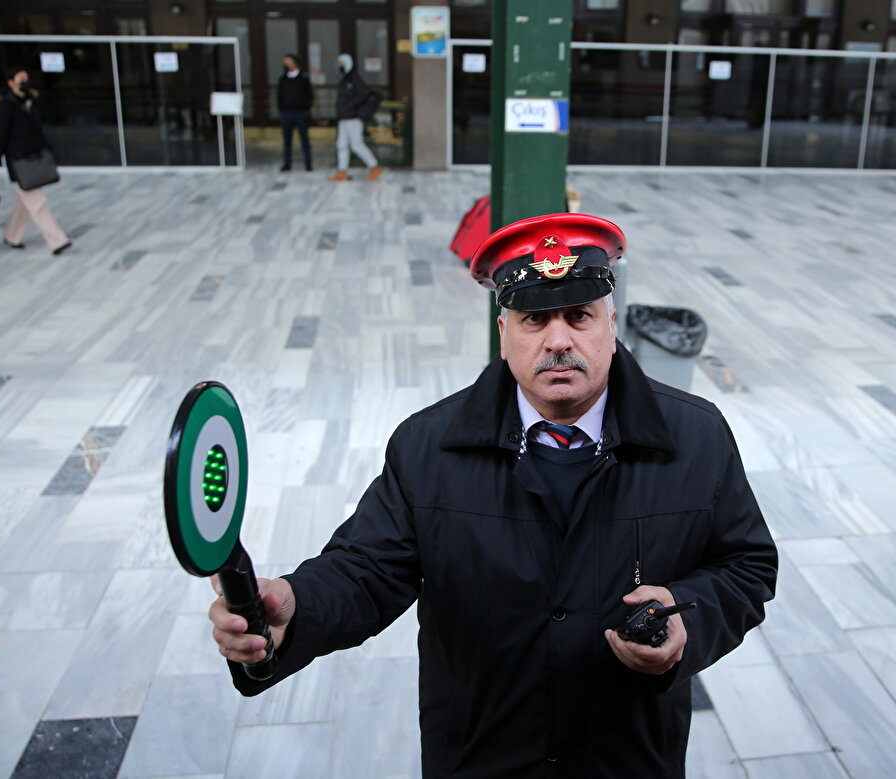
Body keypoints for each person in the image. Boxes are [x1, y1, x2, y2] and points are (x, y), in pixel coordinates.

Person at [209, 212, 778, 777]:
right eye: (534, 319)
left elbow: (746, 566)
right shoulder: (429, 447)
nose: (559, 340)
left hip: (628, 761)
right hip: (480, 759)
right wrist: (296, 608)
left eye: (579, 316)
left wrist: (686, 622)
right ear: (504, 336)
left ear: (611, 326)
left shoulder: (696, 437)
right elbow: (368, 570)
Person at [0, 68, 71, 255]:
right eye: (21, 78)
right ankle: (57, 241)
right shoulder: (5, 107)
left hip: (34, 158)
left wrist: (46, 149)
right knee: (37, 202)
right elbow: (0, 137)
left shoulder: (29, 102)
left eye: (26, 78)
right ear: (10, 83)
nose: (25, 81)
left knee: (24, 202)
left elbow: (37, 130)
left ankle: (11, 236)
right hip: (19, 162)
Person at [328, 53, 383, 182]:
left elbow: (363, 93)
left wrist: (350, 105)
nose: (341, 66)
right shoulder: (343, 79)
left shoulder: (354, 78)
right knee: (341, 145)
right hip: (343, 117)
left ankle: (374, 167)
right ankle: (342, 171)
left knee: (356, 145)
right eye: (339, 63)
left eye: (343, 63)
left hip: (353, 118)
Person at [277, 53, 314, 172]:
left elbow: (309, 95)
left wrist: (306, 109)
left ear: (294, 63)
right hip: (286, 113)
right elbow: (279, 96)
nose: (286, 64)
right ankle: (287, 163)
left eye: (288, 62)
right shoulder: (283, 79)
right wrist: (281, 110)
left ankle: (308, 163)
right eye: (285, 62)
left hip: (300, 113)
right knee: (287, 141)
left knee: (304, 140)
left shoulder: (303, 78)